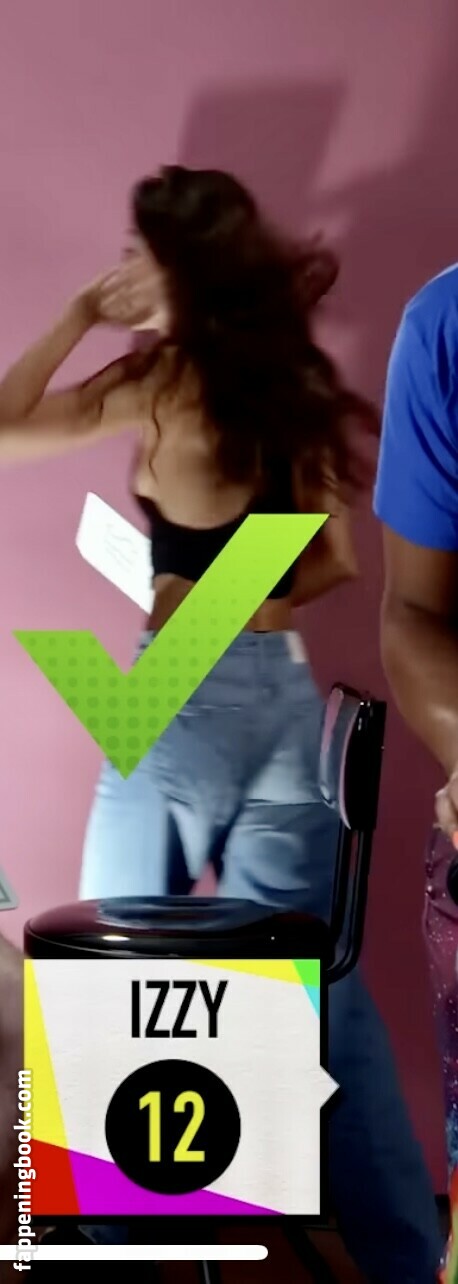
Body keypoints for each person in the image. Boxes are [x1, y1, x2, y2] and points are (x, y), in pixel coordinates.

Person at [0, 166, 441, 1279]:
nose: (123, 270)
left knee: (102, 979)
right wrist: (230, 590)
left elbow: (1, 429)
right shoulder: (293, 385)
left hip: (180, 698)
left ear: (183, 268)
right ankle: (405, 1256)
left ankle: (122, 1254)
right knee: (321, 1000)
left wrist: (76, 316)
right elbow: (333, 562)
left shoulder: (158, 379)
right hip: (286, 705)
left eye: (138, 252)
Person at [374, 265, 458, 1283]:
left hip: (210, 699)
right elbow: (398, 601)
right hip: (192, 700)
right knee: (324, 1002)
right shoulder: (442, 324)